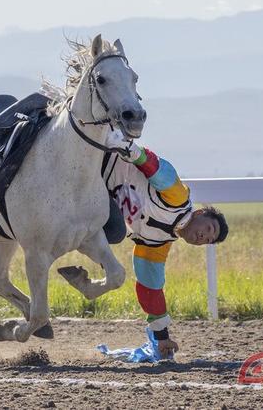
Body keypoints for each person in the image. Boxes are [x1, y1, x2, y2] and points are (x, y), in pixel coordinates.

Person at [101, 132, 229, 358]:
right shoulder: (178, 197)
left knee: (113, 233)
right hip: (106, 151)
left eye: (208, 240)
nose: (203, 238)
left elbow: (150, 291)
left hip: (95, 185)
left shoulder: (158, 244)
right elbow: (157, 168)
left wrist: (162, 338)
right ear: (199, 213)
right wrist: (127, 147)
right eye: (208, 229)